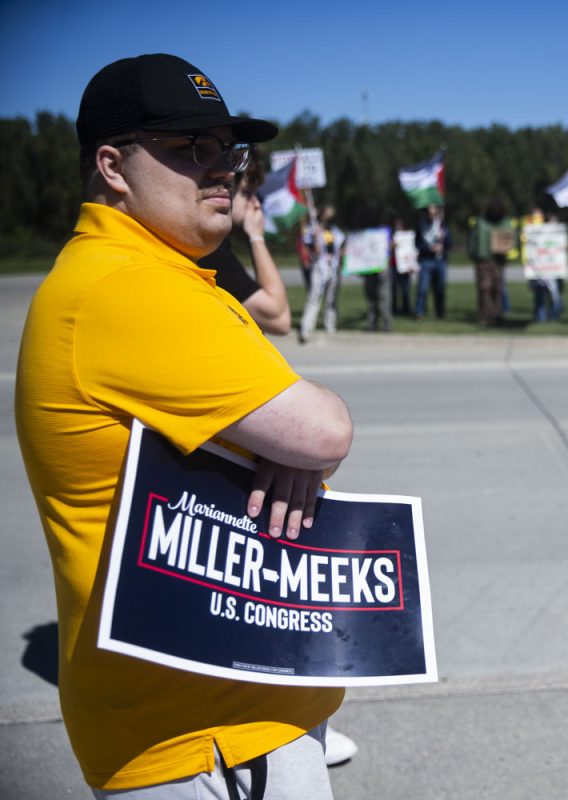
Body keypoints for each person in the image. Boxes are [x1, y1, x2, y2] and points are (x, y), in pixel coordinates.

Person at [15, 53, 354, 798]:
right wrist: (291, 449)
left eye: (229, 150)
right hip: (205, 742)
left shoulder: (168, 277)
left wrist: (283, 449)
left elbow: (290, 433)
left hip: (224, 715)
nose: (223, 169)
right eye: (190, 149)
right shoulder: (123, 287)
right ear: (112, 166)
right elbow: (322, 428)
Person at [198, 149, 291, 334]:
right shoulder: (210, 252)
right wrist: (257, 237)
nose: (256, 203)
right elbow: (279, 318)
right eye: (248, 193)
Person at [299, 204, 345, 343]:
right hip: (319, 267)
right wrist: (314, 238)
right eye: (327, 214)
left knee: (331, 299)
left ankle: (329, 325)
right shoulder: (314, 230)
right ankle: (306, 327)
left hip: (333, 268)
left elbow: (342, 247)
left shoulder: (336, 232)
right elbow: (309, 246)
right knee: (314, 296)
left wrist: (341, 256)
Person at [468, 198, 514, 325]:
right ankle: (484, 315)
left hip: (498, 261)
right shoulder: (481, 222)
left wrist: (506, 250)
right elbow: (473, 240)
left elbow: (511, 239)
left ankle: (497, 314)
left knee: (498, 289)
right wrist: (474, 255)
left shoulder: (505, 223)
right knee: (484, 288)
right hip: (483, 260)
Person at [414, 204, 449, 320]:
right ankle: (419, 312)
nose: (433, 211)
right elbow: (417, 244)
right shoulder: (422, 225)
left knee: (439, 289)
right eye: (431, 209)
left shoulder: (442, 225)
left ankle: (440, 313)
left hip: (440, 261)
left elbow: (450, 243)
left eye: (435, 209)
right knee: (423, 288)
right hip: (426, 260)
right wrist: (428, 248)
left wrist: (445, 240)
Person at [390, 215, 414, 318]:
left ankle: (406, 308)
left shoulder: (408, 236)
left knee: (405, 289)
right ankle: (394, 308)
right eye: (396, 224)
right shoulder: (391, 236)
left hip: (405, 266)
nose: (398, 226)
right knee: (393, 289)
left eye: (400, 224)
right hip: (393, 265)